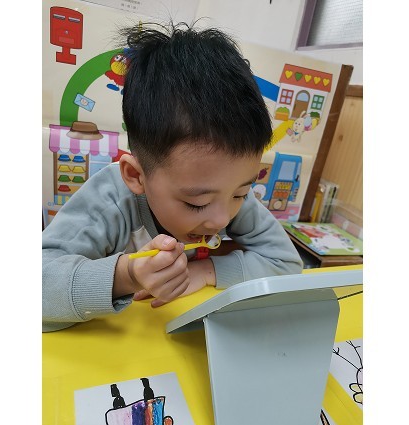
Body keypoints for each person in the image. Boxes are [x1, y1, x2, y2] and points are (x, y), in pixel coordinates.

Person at [42, 21, 303, 332]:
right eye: (197, 203)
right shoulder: (109, 201)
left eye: (241, 194)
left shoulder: (224, 192)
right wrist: (127, 275)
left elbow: (287, 264)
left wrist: (206, 271)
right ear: (136, 176)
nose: (221, 218)